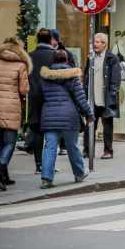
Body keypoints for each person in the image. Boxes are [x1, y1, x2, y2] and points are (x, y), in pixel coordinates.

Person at [39, 50, 93, 188]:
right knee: (72, 147)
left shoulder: (45, 76)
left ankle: (46, 178)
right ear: (67, 60)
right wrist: (89, 114)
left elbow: (40, 97)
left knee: (49, 147)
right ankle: (79, 173)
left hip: (50, 116)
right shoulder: (73, 75)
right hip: (69, 117)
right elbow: (81, 98)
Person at [0, 37, 31, 191]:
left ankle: (4, 176)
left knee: (1, 142)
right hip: (11, 105)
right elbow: (24, 89)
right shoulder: (20, 65)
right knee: (10, 143)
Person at [83, 33, 121, 160]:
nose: (95, 44)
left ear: (104, 44)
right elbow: (86, 76)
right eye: (95, 41)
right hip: (92, 99)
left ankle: (108, 151)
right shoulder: (91, 57)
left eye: (98, 42)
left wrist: (112, 94)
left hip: (106, 99)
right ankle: (87, 150)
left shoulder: (112, 58)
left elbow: (116, 79)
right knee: (89, 125)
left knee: (107, 127)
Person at [28, 29, 56, 173]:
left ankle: (39, 164)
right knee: (51, 132)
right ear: (50, 39)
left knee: (37, 131)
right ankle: (49, 165)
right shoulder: (54, 55)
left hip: (34, 97)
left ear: (37, 40)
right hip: (51, 97)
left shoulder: (30, 56)